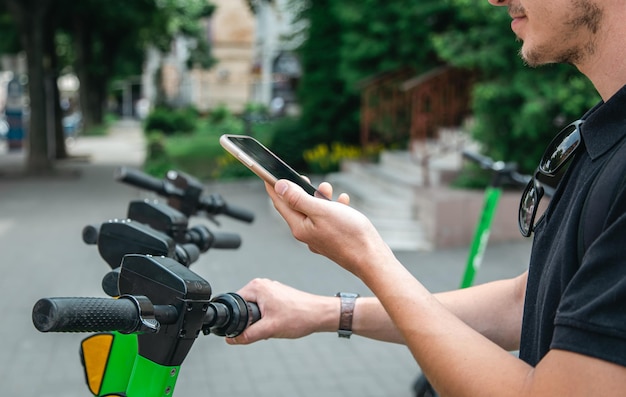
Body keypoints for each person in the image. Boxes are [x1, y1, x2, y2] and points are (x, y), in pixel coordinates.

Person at [226, 0, 626, 394]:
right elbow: (528, 301)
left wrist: (369, 257)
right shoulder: (602, 132)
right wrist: (325, 312)